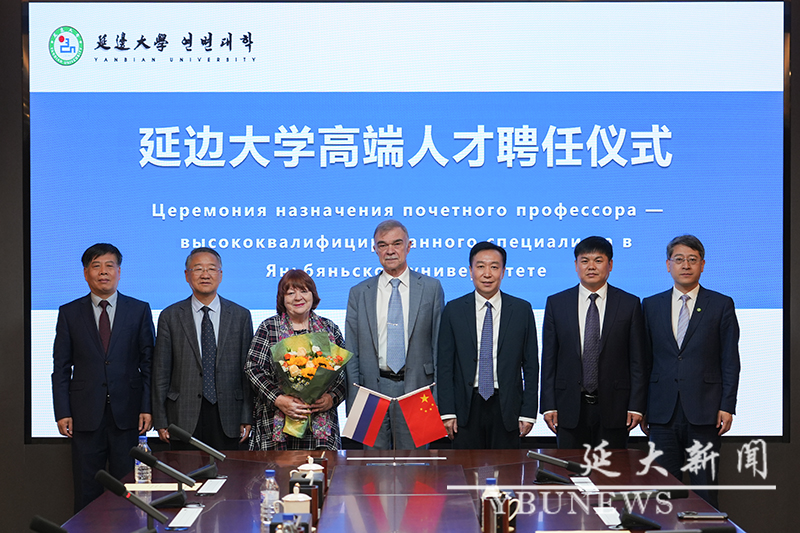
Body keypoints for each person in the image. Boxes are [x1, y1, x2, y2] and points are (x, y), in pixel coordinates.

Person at [52, 243, 154, 513]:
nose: (103, 272)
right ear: (86, 273)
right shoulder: (69, 312)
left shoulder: (139, 310)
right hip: (84, 414)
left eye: (109, 266)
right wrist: (62, 411)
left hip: (128, 414)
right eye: (96, 266)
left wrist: (147, 406)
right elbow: (60, 366)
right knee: (87, 488)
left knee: (129, 488)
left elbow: (149, 363)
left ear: (119, 272)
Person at [641, 235, 740, 508]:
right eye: (679, 259)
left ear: (703, 265)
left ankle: (704, 527)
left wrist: (727, 405)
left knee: (704, 491)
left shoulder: (721, 304)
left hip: (705, 412)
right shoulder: (651, 305)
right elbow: (643, 361)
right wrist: (642, 407)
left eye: (692, 260)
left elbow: (730, 360)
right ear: (668, 265)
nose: (686, 265)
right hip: (662, 414)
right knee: (663, 492)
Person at [540, 236, 647, 449]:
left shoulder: (629, 303)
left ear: (610, 265)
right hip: (569, 406)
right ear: (576, 265)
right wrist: (548, 405)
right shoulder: (557, 303)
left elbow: (638, 361)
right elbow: (549, 359)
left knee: (611, 468)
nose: (591, 266)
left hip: (615, 407)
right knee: (570, 467)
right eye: (585, 260)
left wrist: (636, 405)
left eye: (598, 260)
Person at [345, 219, 445, 449]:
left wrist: (439, 400)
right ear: (375, 249)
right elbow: (352, 351)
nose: (390, 250)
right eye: (382, 245)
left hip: (420, 390)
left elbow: (439, 347)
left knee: (418, 467)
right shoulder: (359, 292)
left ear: (409, 246)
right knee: (371, 466)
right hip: (369, 393)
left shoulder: (431, 288)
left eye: (397, 243)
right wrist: (354, 400)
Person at [437, 241, 538, 449]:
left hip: (506, 406)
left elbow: (531, 365)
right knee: (466, 467)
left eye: (494, 267)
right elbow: (445, 365)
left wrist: (528, 412)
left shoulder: (521, 310)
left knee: (506, 467)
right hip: (466, 407)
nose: (487, 274)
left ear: (503, 272)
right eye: (480, 266)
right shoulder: (453, 310)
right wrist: (447, 411)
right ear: (470, 271)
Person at [152, 247, 253, 451]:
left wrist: (247, 415)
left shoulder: (240, 315)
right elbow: (161, 372)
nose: (205, 274)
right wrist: (160, 419)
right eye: (198, 269)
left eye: (211, 269)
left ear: (220, 275)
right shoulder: (170, 316)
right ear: (187, 275)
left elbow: (247, 371)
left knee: (229, 470)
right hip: (182, 415)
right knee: (186, 470)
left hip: (229, 414)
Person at [245, 270, 346, 450]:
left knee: (320, 468)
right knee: (276, 468)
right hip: (276, 421)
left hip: (320, 423)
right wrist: (278, 399)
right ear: (282, 299)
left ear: (313, 295)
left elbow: (345, 374)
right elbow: (253, 369)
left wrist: (331, 398)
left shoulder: (330, 328)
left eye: (304, 291)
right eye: (291, 293)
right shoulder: (269, 327)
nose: (298, 297)